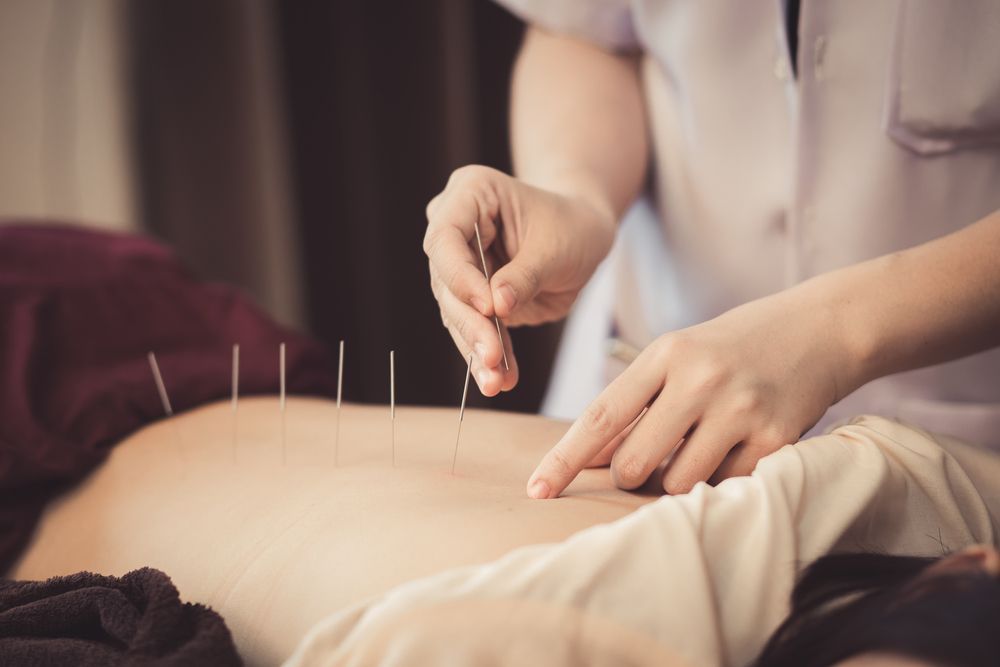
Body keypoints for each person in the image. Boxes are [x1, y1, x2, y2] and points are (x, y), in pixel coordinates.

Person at [422, 1, 1000, 499]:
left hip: (956, 438)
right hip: (643, 399)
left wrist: (837, 331)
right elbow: (584, 26)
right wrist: (577, 193)